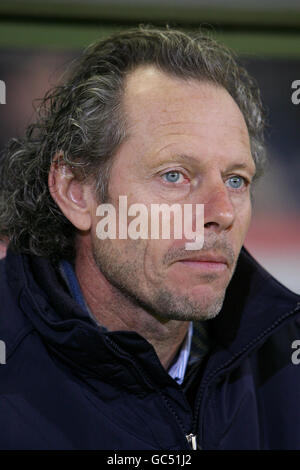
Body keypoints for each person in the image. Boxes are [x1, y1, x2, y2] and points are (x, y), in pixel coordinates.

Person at [0, 26, 299, 451]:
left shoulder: (287, 362)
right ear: (76, 191)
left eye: (236, 180)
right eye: (174, 175)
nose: (220, 213)